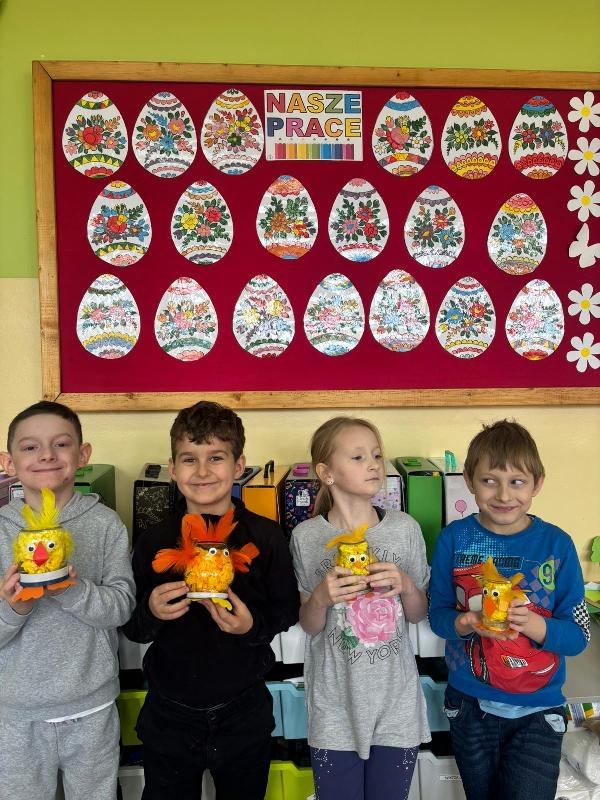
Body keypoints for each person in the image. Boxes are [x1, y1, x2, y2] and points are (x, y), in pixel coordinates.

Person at [123, 400, 300, 800]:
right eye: (190, 459)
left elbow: (286, 610)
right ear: (173, 468)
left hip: (244, 709)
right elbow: (132, 626)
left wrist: (251, 626)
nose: (202, 472)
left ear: (239, 466)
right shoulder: (154, 541)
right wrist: (151, 611)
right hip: (170, 713)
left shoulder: (265, 536)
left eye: (216, 458)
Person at [428, 419, 590, 800]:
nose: (503, 494)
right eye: (489, 480)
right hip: (469, 706)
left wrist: (534, 624)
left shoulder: (557, 545)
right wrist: (466, 621)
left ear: (537, 483)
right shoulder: (454, 539)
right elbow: (438, 616)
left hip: (538, 712)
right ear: (469, 480)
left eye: (517, 481)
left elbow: (578, 637)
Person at [0, 400, 135, 800]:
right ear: (8, 462)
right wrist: (14, 609)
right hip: (16, 715)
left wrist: (70, 589)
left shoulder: (105, 524)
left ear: (83, 455)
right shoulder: (1, 531)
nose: (46, 455)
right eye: (30, 447)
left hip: (91, 707)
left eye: (60, 444)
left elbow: (121, 606)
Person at [290, 416, 430, 800]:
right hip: (334, 708)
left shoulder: (404, 529)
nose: (373, 465)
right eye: (358, 457)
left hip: (396, 706)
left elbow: (418, 613)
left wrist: (405, 585)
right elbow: (310, 625)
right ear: (326, 473)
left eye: (377, 455)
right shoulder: (306, 537)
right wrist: (321, 596)